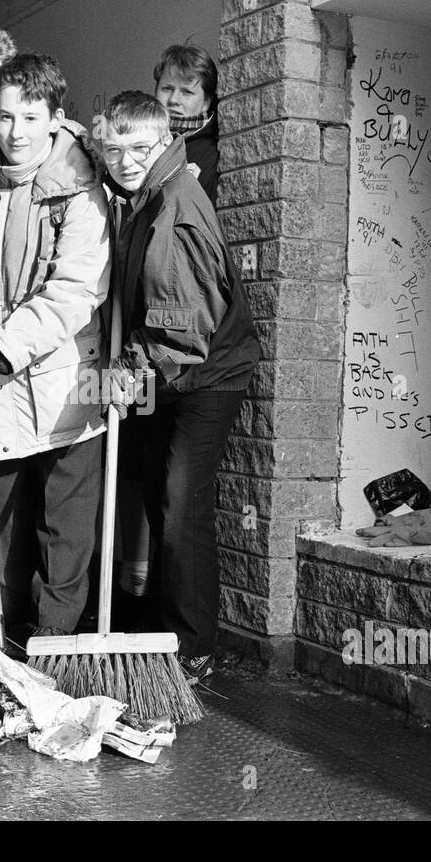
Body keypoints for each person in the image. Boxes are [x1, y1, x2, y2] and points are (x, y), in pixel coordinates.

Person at [0, 53, 111, 648]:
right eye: (5, 117)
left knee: (63, 530)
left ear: (56, 118)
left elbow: (76, 289)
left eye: (31, 117)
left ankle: (57, 649)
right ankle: (1, 646)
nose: (16, 132)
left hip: (64, 383)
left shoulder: (81, 190)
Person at [100, 91, 260, 682]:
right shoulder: (144, 192)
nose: (125, 160)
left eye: (139, 148)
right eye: (113, 149)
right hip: (170, 373)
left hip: (206, 371)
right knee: (151, 494)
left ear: (166, 139)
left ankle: (192, 650)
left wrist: (127, 368)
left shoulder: (176, 209)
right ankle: (156, 628)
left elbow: (183, 330)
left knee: (180, 503)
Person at [152, 44, 220, 205]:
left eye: (187, 92)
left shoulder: (217, 153)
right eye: (167, 89)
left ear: (206, 102)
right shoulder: (136, 145)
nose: (174, 100)